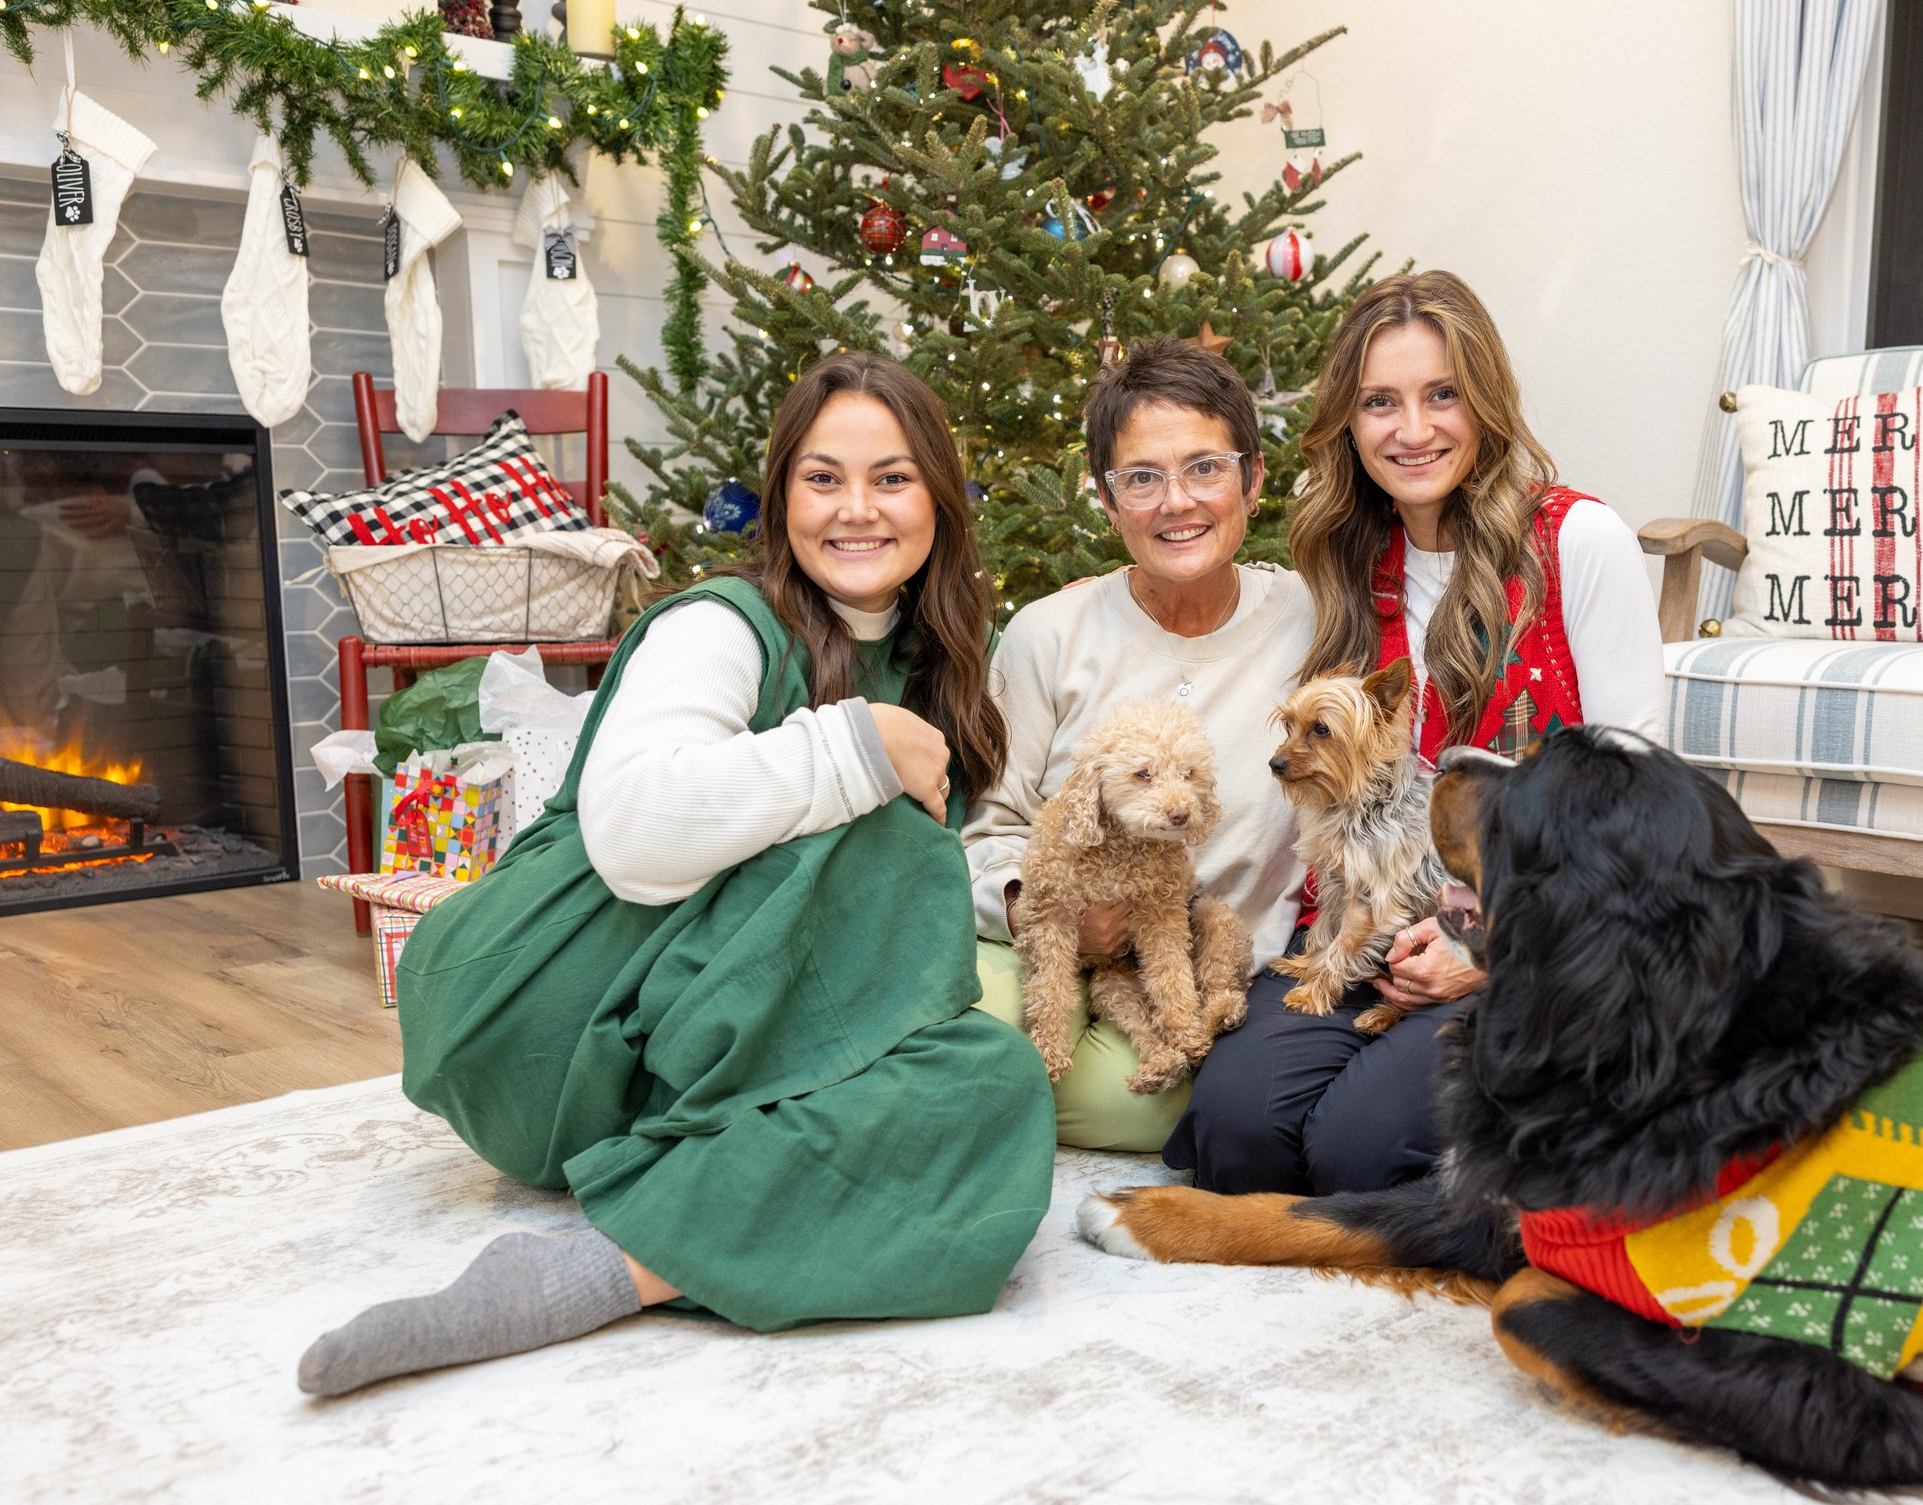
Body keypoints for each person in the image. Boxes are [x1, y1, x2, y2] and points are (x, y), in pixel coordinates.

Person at [297, 352, 1055, 1396]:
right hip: (551, 1014)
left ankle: (607, 1270)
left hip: (705, 1063)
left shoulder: (946, 663)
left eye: (892, 478)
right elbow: (636, 837)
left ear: (938, 498)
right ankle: (715, 1209)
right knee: (883, 837)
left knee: (992, 1086)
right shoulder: (720, 623)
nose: (856, 509)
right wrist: (861, 744)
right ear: (781, 494)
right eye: (823, 478)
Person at [1166, 270, 1666, 1196]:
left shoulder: (1578, 542)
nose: (1413, 429)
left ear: (1485, 401)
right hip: (1363, 921)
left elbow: (1638, 813)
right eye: (1379, 403)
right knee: (1236, 1131)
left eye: (1442, 394)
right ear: (1349, 425)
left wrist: (1490, 946)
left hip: (1529, 939)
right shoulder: (1345, 562)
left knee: (1358, 1150)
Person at [966, 337, 1314, 1153]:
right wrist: (1038, 909)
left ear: (1253, 480)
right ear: (1107, 498)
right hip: (1051, 935)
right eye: (1142, 478)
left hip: (1196, 962)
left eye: (1205, 468)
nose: (1176, 502)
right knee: (973, 1037)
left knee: (1134, 1106)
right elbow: (987, 825)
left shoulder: (1311, 618)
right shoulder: (1048, 633)